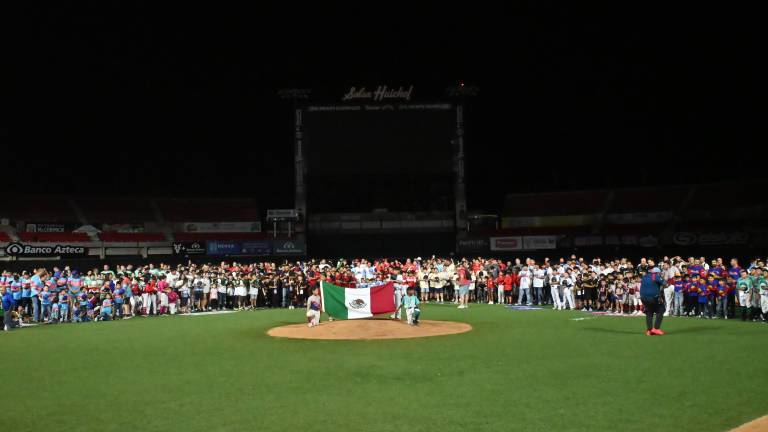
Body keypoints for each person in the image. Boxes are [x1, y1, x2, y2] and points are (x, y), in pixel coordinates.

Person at [639, 268, 666, 335]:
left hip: (643, 298)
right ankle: (656, 329)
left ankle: (649, 330)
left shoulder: (645, 276)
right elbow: (665, 283)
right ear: (657, 273)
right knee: (661, 309)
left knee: (649, 312)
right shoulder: (655, 276)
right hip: (652, 298)